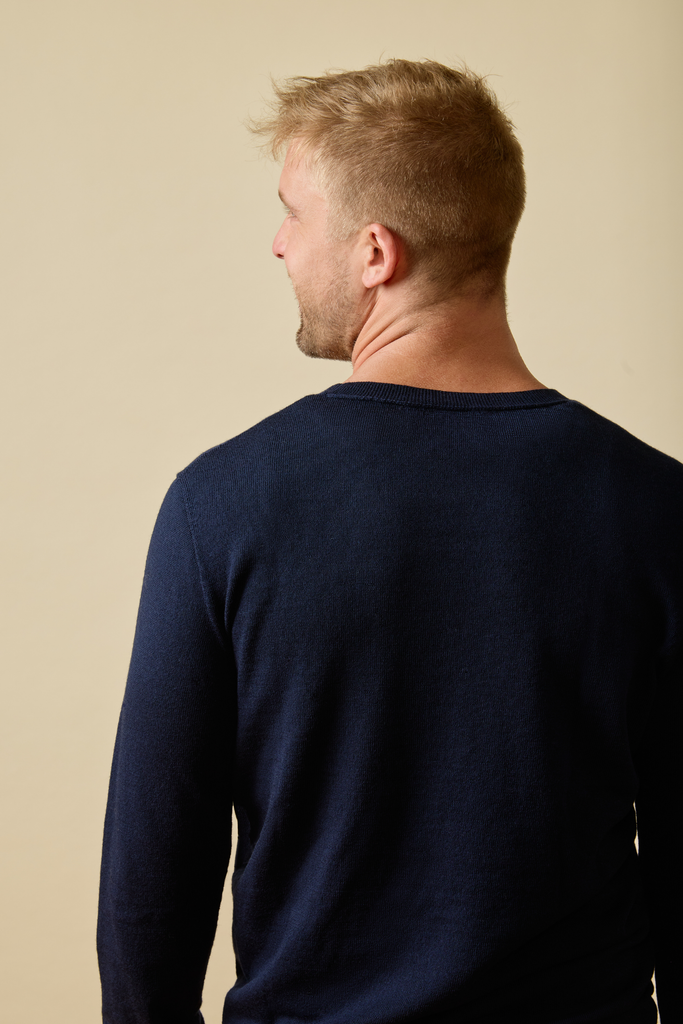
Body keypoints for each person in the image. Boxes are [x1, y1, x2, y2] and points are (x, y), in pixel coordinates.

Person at [97, 59, 681, 1023]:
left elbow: (152, 888)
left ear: (375, 252)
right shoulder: (658, 509)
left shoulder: (224, 503)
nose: (277, 244)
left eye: (293, 212)